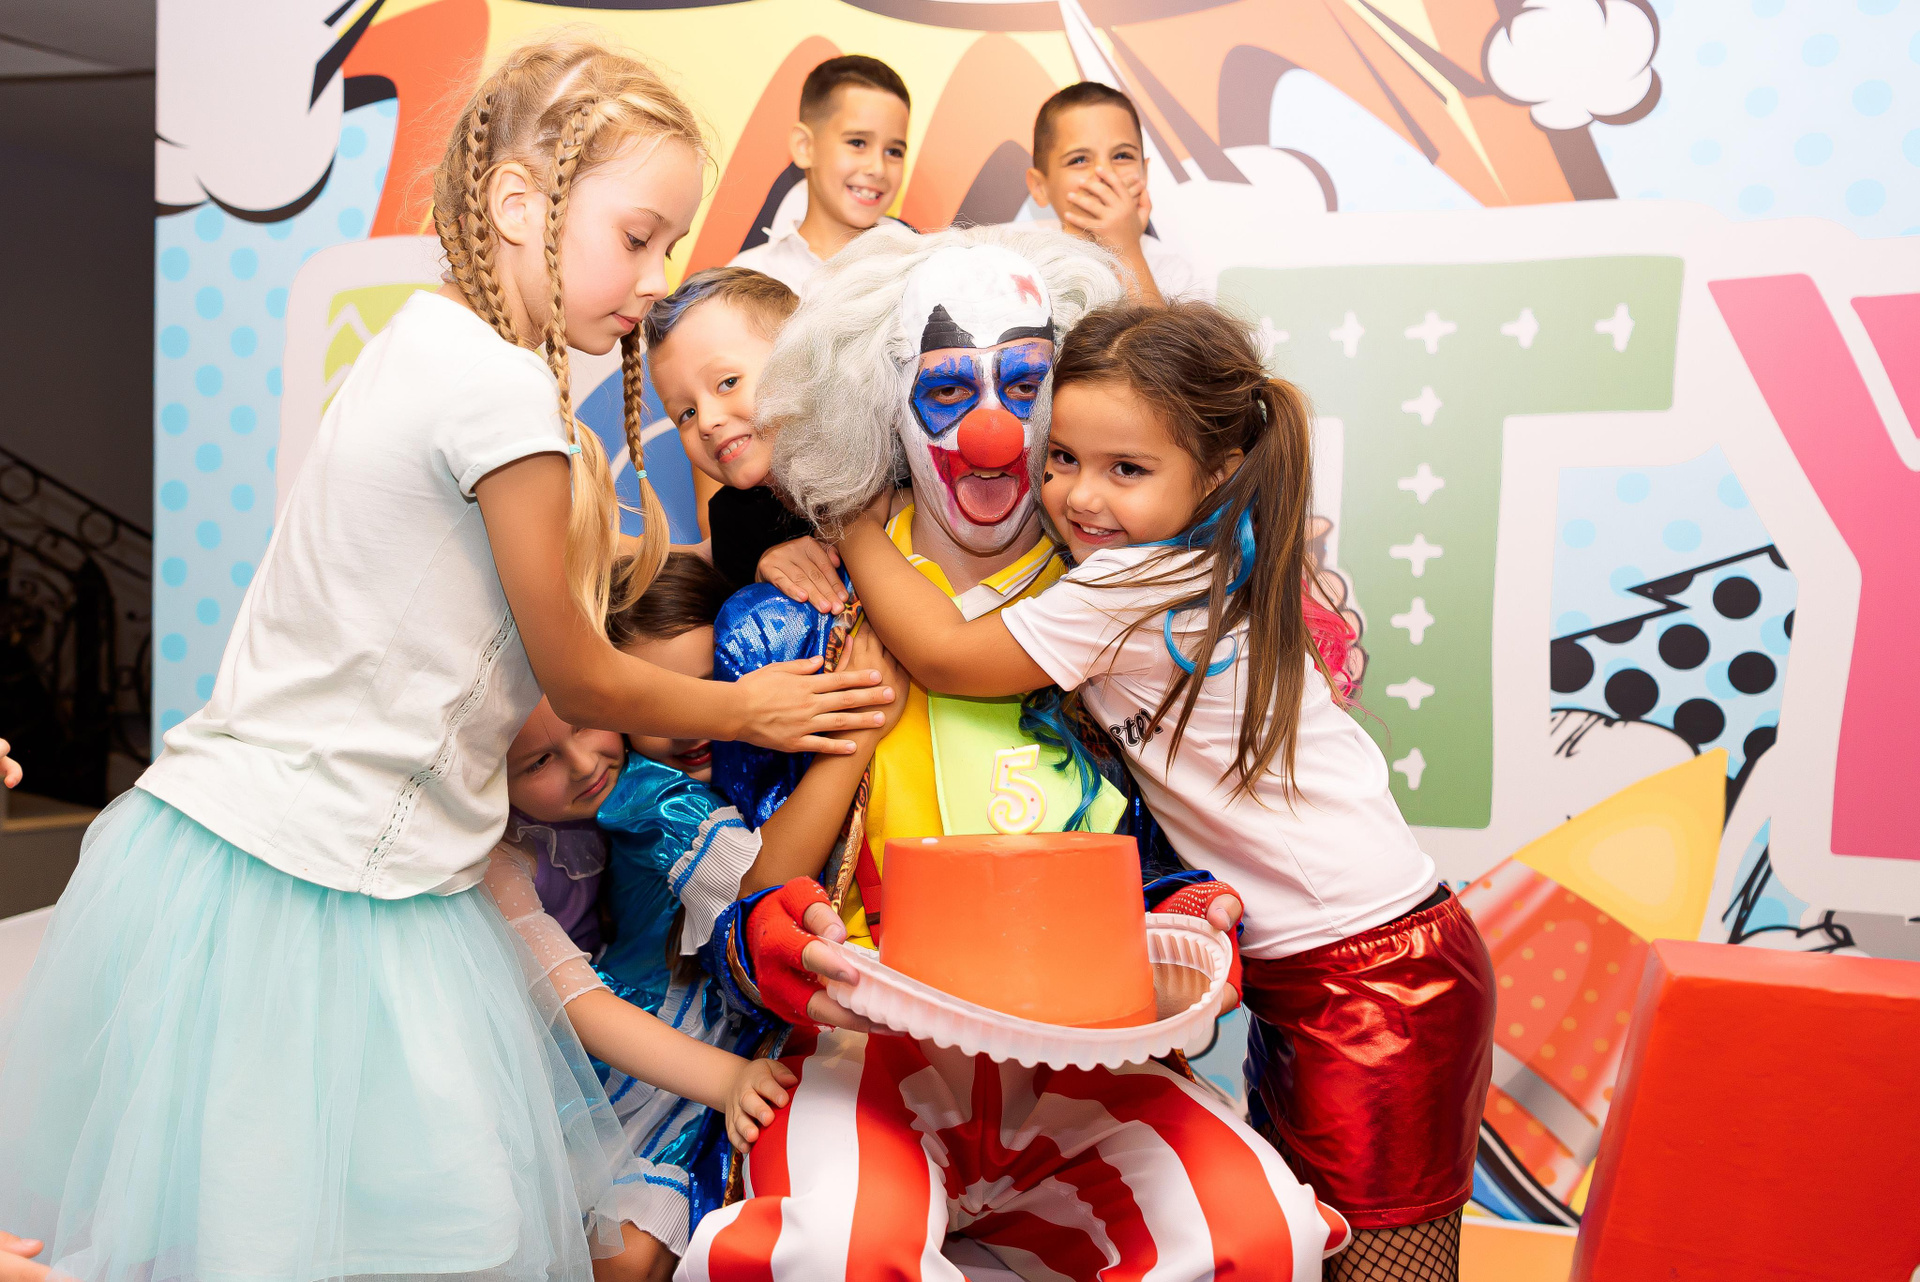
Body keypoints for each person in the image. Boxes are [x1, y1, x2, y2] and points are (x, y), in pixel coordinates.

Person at [0, 36, 894, 1281]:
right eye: (638, 237)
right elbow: (579, 676)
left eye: (669, 248)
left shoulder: (426, 346)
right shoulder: (496, 392)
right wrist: (755, 709)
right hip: (313, 878)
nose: (653, 281)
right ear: (521, 204)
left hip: (284, 854)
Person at [684, 225, 1349, 1280]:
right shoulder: (786, 624)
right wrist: (778, 939)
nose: (992, 430)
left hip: (1082, 1057)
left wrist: (1189, 912)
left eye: (1026, 383)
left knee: (1255, 1233)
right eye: (949, 388)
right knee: (838, 1249)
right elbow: (741, 912)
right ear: (883, 403)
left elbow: (1161, 855)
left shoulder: (1110, 602)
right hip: (870, 1054)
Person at [835, 300, 1495, 1282]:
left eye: (1126, 470)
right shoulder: (1204, 549)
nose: (1080, 496)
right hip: (1333, 970)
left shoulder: (1138, 586)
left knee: (1387, 1267)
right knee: (1319, 1248)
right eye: (1062, 458)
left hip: (1374, 977)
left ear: (1215, 476)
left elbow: (943, 654)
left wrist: (846, 516)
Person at [491, 553, 908, 1281]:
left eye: (717, 685)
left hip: (725, 1044)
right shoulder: (647, 793)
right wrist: (860, 732)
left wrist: (782, 555)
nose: (693, 720)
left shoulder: (733, 772)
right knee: (628, 1253)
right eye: (664, 699)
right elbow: (759, 882)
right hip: (658, 1050)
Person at [643, 268, 816, 590]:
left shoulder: (894, 466)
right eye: (686, 413)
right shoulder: (731, 522)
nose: (706, 422)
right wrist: (760, 585)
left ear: (799, 359)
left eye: (728, 383)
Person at [728, 54, 911, 295]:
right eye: (857, 143)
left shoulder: (920, 270)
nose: (878, 168)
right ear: (805, 146)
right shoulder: (749, 279)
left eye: (894, 151)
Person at [1022, 81, 1200, 305]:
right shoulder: (1022, 266)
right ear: (1039, 187)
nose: (1105, 173)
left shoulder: (1173, 273)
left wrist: (1126, 251)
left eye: (1122, 156)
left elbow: (1157, 330)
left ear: (1144, 174)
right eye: (1079, 160)